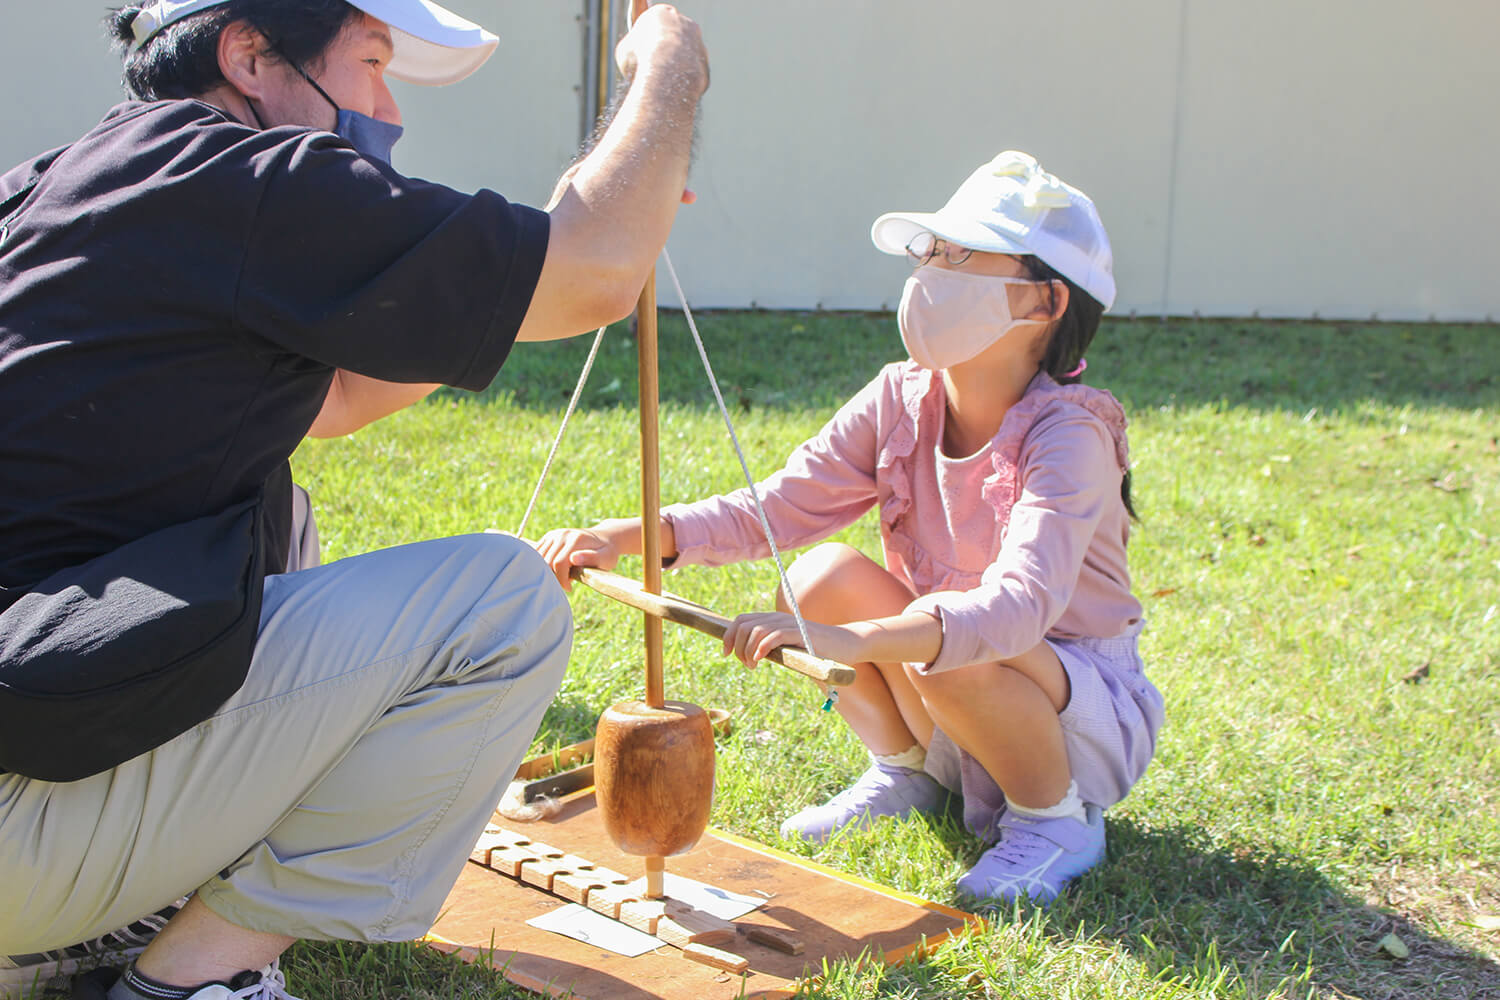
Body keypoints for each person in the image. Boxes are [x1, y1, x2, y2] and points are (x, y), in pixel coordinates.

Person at [0, 1, 708, 998]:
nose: (385, 108)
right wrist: (671, 66)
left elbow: (331, 398)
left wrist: (534, 260)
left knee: (278, 521)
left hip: (25, 727)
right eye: (372, 62)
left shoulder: (55, 186)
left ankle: (109, 910)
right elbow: (593, 270)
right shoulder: (254, 184)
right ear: (249, 53)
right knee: (500, 603)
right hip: (21, 821)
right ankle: (193, 977)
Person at [536, 151, 1164, 905]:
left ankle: (1055, 820)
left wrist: (856, 642)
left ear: (1044, 301)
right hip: (947, 678)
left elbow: (1017, 610)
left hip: (1069, 711)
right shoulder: (902, 396)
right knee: (822, 577)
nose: (930, 270)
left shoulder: (1071, 435)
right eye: (929, 250)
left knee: (955, 646)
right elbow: (781, 506)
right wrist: (634, 535)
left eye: (960, 254)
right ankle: (908, 770)